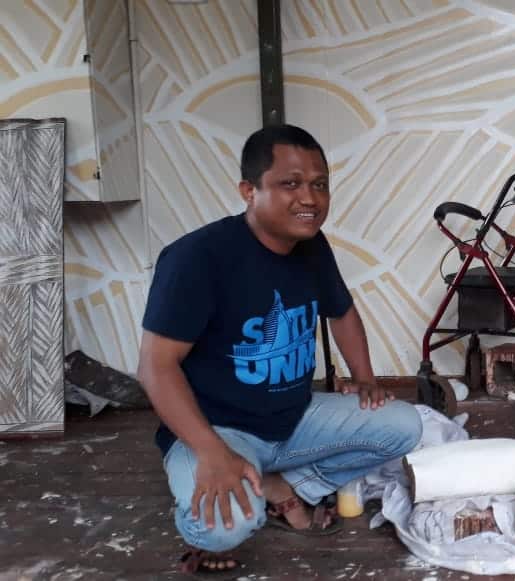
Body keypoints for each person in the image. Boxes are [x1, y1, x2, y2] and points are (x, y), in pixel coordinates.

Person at [137, 124, 422, 574]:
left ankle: (284, 485)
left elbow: (341, 311)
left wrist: (366, 378)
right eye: (290, 183)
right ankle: (221, 497)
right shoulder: (197, 258)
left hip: (293, 420)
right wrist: (211, 452)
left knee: (405, 424)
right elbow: (156, 367)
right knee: (225, 529)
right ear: (249, 191)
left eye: (319, 184)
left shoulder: (311, 245)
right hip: (217, 429)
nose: (309, 198)